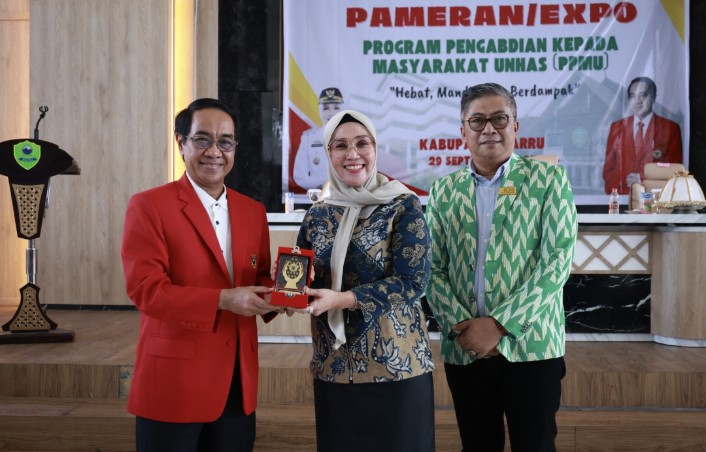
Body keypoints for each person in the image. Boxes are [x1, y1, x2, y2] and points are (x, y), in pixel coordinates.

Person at [121, 98, 280, 452]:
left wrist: (281, 294)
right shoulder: (149, 206)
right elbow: (146, 290)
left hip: (237, 382)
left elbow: (259, 278)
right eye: (203, 139)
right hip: (174, 383)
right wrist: (224, 300)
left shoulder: (252, 211)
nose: (215, 152)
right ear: (181, 143)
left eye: (225, 142)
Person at [425, 83, 578, 452]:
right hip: (465, 347)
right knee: (477, 445)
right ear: (463, 131)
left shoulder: (548, 180)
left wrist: (498, 326)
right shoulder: (443, 191)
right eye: (477, 121)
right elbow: (431, 268)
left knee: (535, 444)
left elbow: (557, 261)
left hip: (532, 346)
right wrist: (464, 327)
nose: (489, 129)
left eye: (499, 119)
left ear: (515, 126)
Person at [291, 109, 436, 451]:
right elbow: (301, 274)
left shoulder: (402, 205)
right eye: (340, 146)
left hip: (397, 367)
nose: (352, 154)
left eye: (362, 143)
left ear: (375, 148)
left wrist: (344, 299)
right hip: (334, 368)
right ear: (329, 153)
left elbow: (412, 282)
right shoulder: (317, 215)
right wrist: (291, 286)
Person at [603, 76, 683, 194]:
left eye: (643, 95)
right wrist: (615, 190)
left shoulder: (670, 128)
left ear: (654, 97)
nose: (637, 101)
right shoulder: (617, 127)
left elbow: (674, 170)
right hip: (622, 195)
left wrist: (643, 179)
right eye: (633, 96)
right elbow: (608, 169)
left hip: (654, 198)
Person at [292, 87, 344, 191]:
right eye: (326, 108)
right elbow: (299, 176)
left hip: (348, 195)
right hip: (318, 195)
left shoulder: (353, 137)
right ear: (319, 110)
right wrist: (325, 184)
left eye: (336, 108)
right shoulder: (308, 139)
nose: (331, 113)